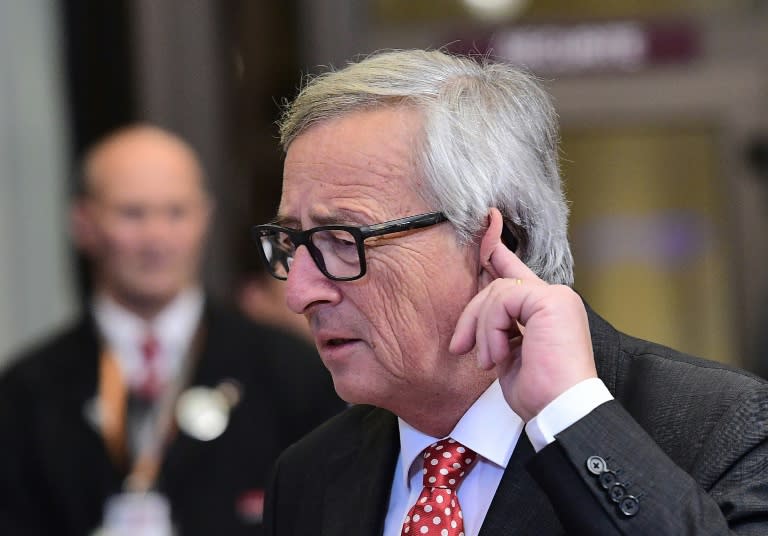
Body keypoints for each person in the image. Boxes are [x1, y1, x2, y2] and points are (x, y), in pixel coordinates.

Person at [254, 50, 768, 535]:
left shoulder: (724, 429)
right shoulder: (310, 475)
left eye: (344, 241)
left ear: (497, 242)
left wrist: (572, 418)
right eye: (292, 244)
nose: (299, 293)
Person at [0, 124, 344, 536]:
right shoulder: (28, 390)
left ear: (205, 218)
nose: (156, 238)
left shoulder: (289, 371)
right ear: (84, 224)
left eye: (175, 212)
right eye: (133, 213)